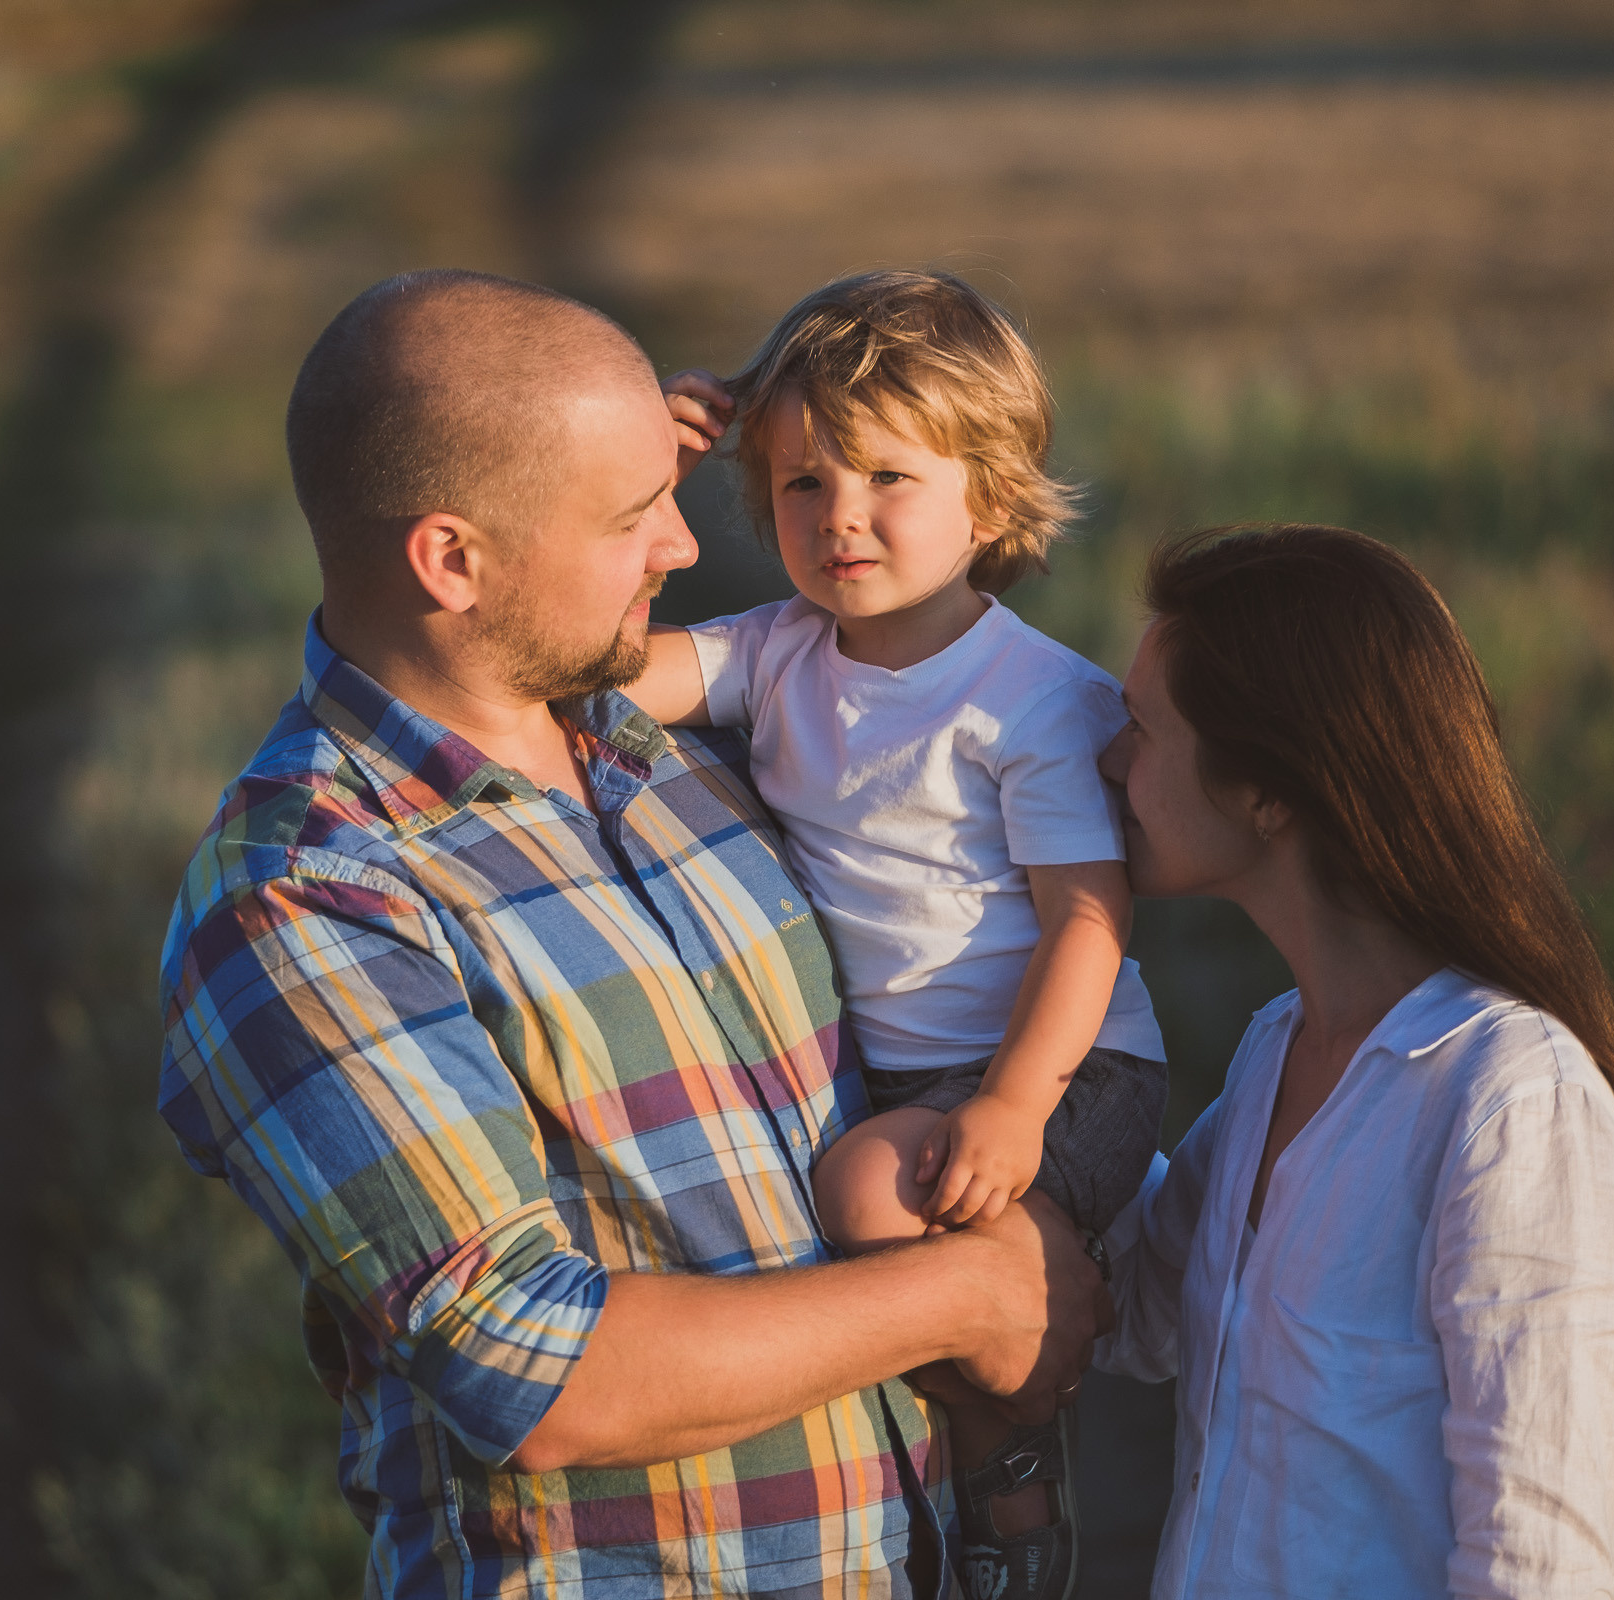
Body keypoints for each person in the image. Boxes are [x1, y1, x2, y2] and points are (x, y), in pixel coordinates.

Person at [156, 268, 1110, 1600]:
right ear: (451, 560)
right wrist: (971, 1294)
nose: (680, 546)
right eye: (630, 517)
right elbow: (532, 1371)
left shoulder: (671, 752)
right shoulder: (307, 892)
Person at [631, 270, 1169, 1600]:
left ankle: (1015, 1465)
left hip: (1065, 1065)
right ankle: (979, 1429)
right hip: (915, 1077)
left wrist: (1016, 1104)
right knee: (864, 1199)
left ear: (988, 497)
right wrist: (641, 494)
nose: (840, 516)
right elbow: (609, 667)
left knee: (868, 1194)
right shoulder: (778, 651)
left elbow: (1088, 921)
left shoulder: (1026, 698)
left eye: (887, 477)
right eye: (802, 482)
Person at [1092, 524, 1614, 1598]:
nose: (1107, 762)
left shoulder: (1513, 1105)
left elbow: (1540, 1569)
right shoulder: (1280, 1051)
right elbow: (1135, 1305)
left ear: (1269, 789)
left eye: (1140, 729)